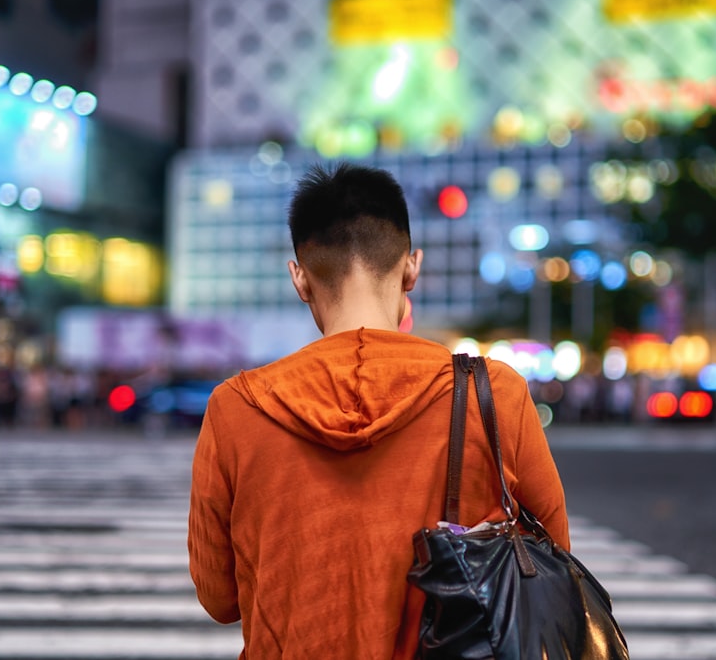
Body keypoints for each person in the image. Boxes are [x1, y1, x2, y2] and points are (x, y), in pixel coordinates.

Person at [188, 162, 570, 659]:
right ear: (412, 266)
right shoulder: (492, 392)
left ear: (300, 279)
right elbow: (551, 559)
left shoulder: (237, 407)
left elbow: (219, 598)